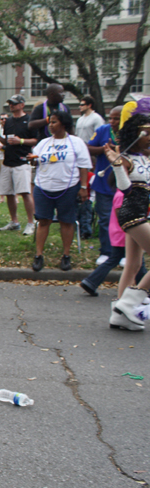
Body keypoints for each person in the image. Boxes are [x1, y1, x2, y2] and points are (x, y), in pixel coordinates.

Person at [30, 111, 92, 272]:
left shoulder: (76, 143)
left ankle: (65, 256)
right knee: (43, 221)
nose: (50, 125)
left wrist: (84, 187)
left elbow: (84, 166)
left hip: (68, 188)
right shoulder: (43, 143)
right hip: (43, 187)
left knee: (67, 221)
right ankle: (38, 255)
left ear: (64, 124)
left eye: (54, 122)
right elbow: (35, 160)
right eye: (50, 122)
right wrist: (32, 160)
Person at [105, 112, 150, 329]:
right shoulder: (126, 159)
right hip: (133, 214)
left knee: (134, 264)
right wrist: (116, 165)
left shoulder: (146, 157)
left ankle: (119, 314)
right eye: (146, 133)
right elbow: (125, 189)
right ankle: (130, 304)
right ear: (135, 134)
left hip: (142, 214)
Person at [81, 187, 146, 297]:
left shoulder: (120, 193)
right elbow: (121, 214)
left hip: (119, 232)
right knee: (137, 261)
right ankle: (144, 288)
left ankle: (91, 281)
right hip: (123, 233)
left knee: (118, 259)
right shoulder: (122, 195)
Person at [0, 94, 38, 235]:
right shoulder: (8, 121)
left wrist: (21, 141)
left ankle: (31, 222)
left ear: (22, 105)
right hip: (7, 161)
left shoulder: (29, 120)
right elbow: (7, 142)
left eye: (15, 103)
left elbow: (35, 140)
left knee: (25, 192)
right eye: (10, 103)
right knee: (9, 193)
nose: (12, 106)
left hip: (22, 161)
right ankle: (14, 221)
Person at [87, 106, 123, 265]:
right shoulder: (102, 130)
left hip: (124, 184)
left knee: (125, 220)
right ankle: (106, 251)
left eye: (116, 118)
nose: (112, 121)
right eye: (111, 118)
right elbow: (89, 148)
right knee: (105, 219)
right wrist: (105, 149)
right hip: (104, 183)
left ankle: (125, 253)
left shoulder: (133, 133)